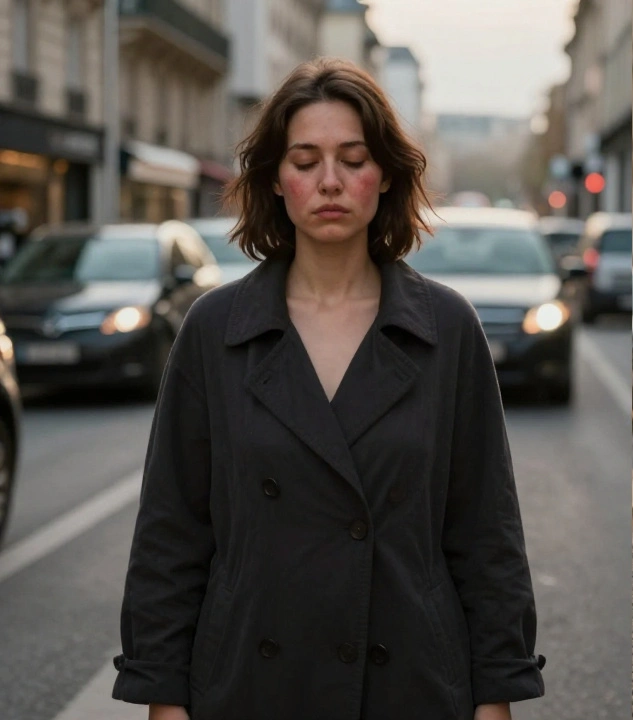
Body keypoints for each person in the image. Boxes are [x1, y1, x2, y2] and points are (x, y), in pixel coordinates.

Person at [111, 57, 545, 720]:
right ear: (276, 181)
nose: (331, 182)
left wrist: (497, 693)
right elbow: (172, 531)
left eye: (353, 158)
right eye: (306, 160)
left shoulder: (445, 327)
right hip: (250, 689)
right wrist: (162, 696)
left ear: (387, 175)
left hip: (411, 684)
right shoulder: (217, 328)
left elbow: (486, 530)